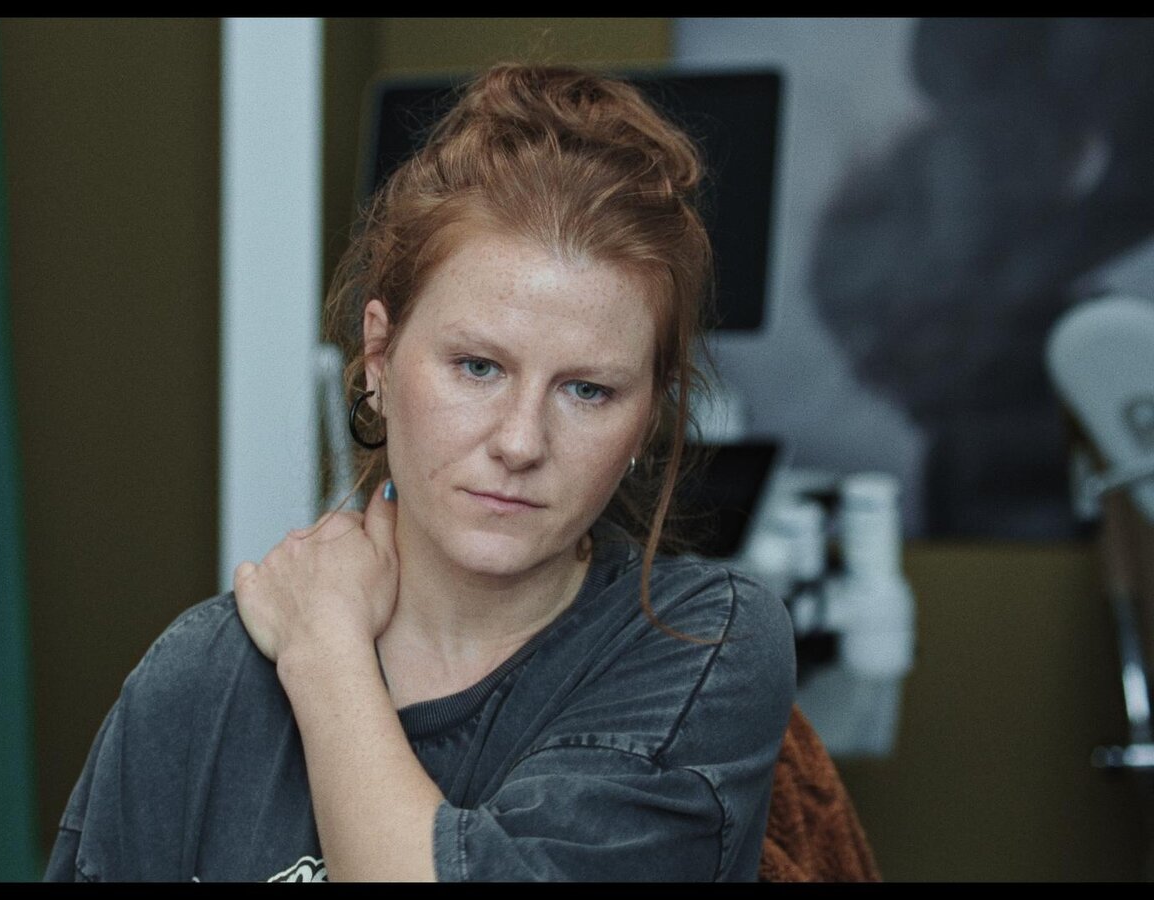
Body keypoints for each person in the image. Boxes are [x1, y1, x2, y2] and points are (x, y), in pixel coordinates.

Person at [43, 62, 797, 883]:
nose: (521, 442)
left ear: (649, 414)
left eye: (588, 390)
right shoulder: (202, 679)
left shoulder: (701, 644)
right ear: (379, 356)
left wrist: (327, 650)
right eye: (478, 367)